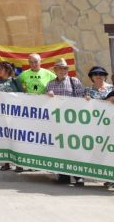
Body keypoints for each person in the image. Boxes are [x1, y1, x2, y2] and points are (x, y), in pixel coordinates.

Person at [45, 58, 85, 186]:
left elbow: (81, 99)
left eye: (65, 68)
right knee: (61, 148)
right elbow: (45, 103)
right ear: (55, 70)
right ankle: (64, 175)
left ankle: (79, 177)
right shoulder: (50, 84)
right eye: (60, 68)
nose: (63, 71)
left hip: (72, 121)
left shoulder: (75, 81)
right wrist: (48, 96)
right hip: (57, 121)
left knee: (74, 148)